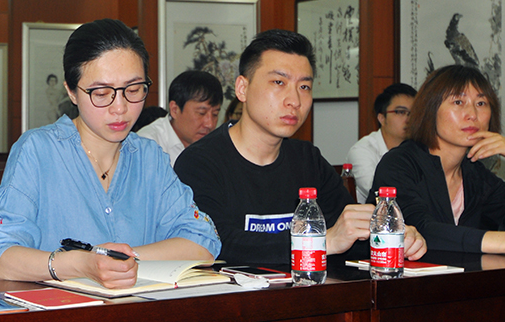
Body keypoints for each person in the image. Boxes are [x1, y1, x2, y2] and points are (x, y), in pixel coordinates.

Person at [0, 19, 219, 288]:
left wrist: (121, 260)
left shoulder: (148, 157)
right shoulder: (38, 150)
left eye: (133, 90)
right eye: (101, 93)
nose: (120, 107)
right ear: (71, 91)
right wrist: (80, 264)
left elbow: (203, 241)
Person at [174, 29, 426, 266]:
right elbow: (216, 242)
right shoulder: (199, 162)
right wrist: (320, 242)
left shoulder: (307, 159)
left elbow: (346, 235)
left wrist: (390, 236)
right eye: (278, 82)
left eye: (304, 87)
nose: (294, 100)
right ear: (242, 88)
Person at [371, 65, 505, 255]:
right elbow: (418, 230)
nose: (472, 114)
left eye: (481, 103)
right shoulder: (398, 164)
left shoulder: (477, 176)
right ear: (430, 109)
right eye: (458, 102)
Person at [345, 83, 417, 203]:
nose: (408, 119)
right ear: (382, 118)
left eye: (413, 113)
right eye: (401, 112)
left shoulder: (420, 149)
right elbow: (378, 192)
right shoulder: (362, 151)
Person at [137, 70, 222, 166]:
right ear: (174, 110)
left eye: (215, 114)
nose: (210, 124)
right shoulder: (147, 145)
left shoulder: (217, 146)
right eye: (201, 113)